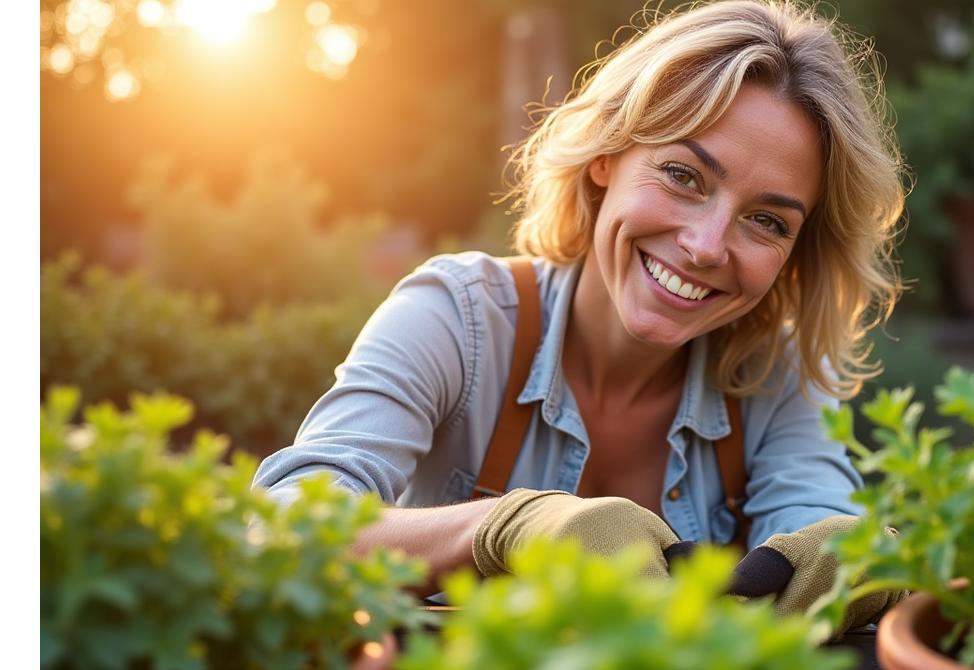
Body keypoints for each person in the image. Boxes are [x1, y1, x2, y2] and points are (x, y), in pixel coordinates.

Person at [252, 0, 907, 635]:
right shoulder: (459, 319)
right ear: (606, 158)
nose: (707, 245)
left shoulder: (775, 379)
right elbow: (278, 530)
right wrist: (501, 530)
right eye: (683, 175)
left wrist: (862, 554)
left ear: (797, 253)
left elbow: (821, 521)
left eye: (766, 221)